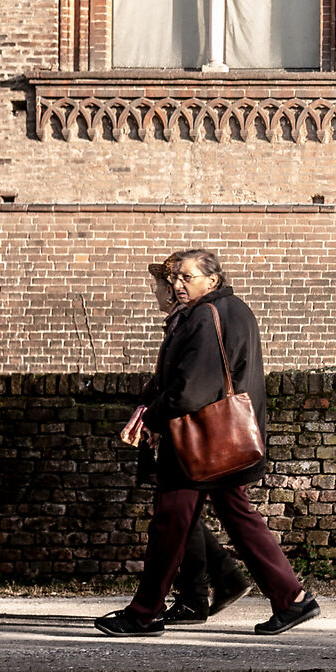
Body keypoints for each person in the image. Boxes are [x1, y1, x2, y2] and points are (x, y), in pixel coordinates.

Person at [97, 250, 319, 637]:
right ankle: (291, 599)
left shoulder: (204, 316)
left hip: (199, 443)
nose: (178, 285)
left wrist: (150, 415)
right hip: (229, 439)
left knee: (170, 525)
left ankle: (144, 613)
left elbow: (190, 389)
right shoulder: (236, 310)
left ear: (211, 281)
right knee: (237, 518)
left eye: (187, 277)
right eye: (175, 279)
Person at [129, 260, 252, 625]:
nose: (161, 290)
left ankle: (195, 592)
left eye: (164, 284)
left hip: (189, 431)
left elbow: (186, 383)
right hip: (181, 426)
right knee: (184, 514)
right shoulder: (187, 320)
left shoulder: (195, 319)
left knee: (180, 514)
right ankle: (211, 586)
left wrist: (151, 415)